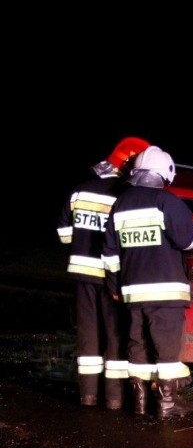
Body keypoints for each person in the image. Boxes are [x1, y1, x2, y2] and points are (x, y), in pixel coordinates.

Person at [103, 146, 193, 418]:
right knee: (167, 349)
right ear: (164, 173)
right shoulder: (167, 202)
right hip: (166, 294)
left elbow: (110, 254)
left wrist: (114, 288)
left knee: (138, 345)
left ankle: (141, 403)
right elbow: (190, 244)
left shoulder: (120, 204)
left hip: (133, 293)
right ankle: (168, 404)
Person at [56, 136, 150, 409]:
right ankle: (114, 398)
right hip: (111, 276)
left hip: (81, 274)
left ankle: (87, 395)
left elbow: (64, 235)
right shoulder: (124, 197)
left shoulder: (80, 190)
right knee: (115, 336)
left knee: (88, 334)